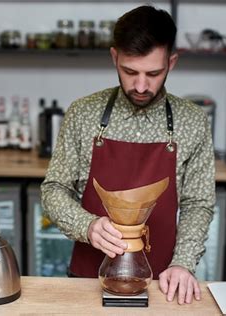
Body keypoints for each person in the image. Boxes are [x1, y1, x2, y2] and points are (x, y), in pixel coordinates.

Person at [41, 5, 215, 305]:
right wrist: (87, 225)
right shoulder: (83, 114)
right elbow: (54, 190)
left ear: (171, 62)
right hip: (87, 281)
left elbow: (198, 204)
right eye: (130, 71)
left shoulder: (193, 121)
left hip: (164, 284)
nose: (141, 85)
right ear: (114, 58)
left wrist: (183, 263)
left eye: (154, 73)